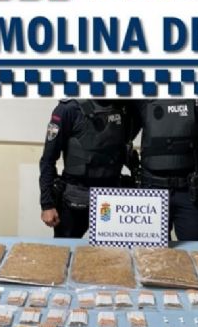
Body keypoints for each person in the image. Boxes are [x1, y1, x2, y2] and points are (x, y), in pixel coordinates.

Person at [130, 99, 198, 241]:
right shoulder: (144, 97)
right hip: (151, 191)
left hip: (190, 192)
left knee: (195, 251)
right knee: (151, 252)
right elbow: (122, 137)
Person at [39, 99, 130, 238]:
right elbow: (48, 160)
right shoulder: (68, 109)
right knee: (66, 248)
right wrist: (47, 205)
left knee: (108, 250)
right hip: (75, 198)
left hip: (111, 198)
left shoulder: (123, 106)